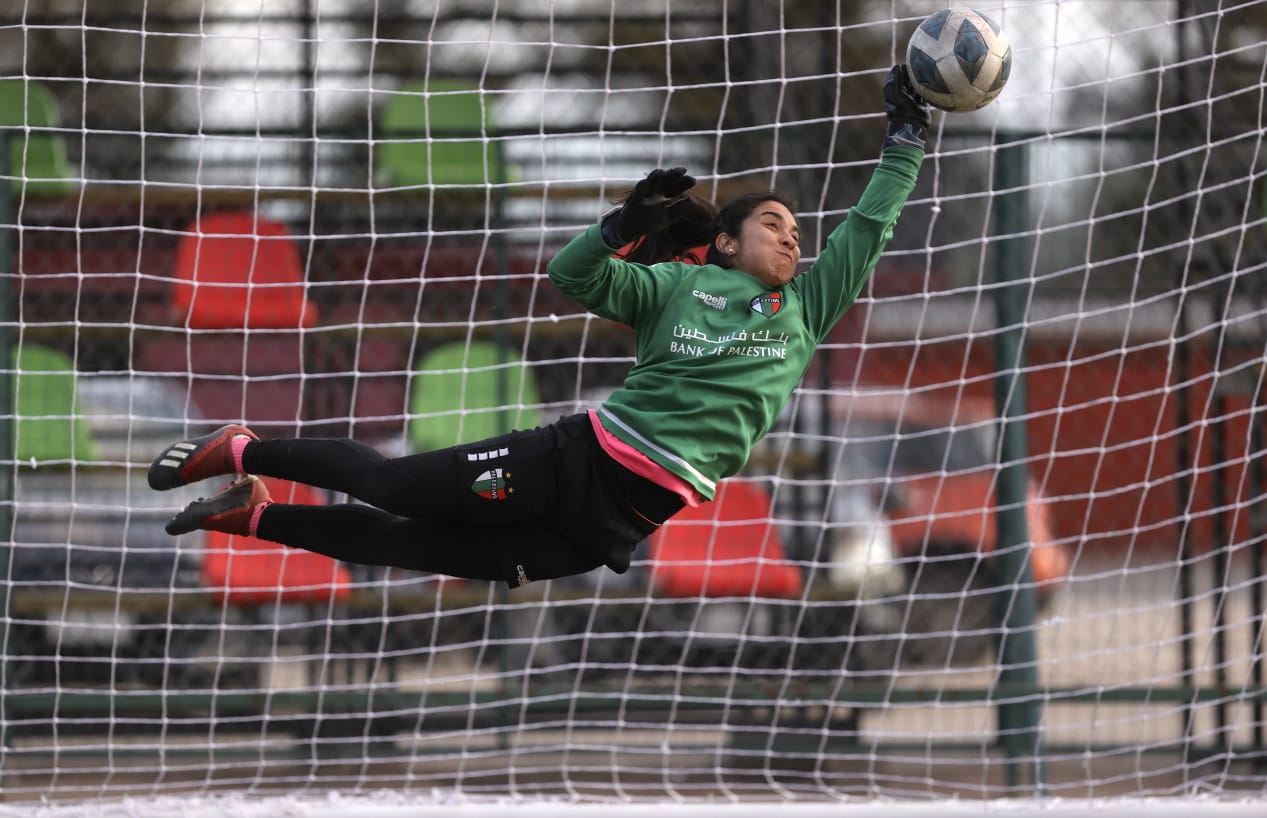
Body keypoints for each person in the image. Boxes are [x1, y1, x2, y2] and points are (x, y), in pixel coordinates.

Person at [150, 65, 930, 589]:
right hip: (576, 464)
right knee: (394, 490)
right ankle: (241, 449)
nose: (793, 237)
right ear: (725, 243)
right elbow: (573, 275)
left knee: (401, 551)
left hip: (612, 530)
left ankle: (250, 514)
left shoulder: (805, 303)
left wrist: (905, 138)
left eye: (796, 229)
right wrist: (622, 221)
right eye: (771, 223)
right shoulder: (675, 285)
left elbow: (870, 223)